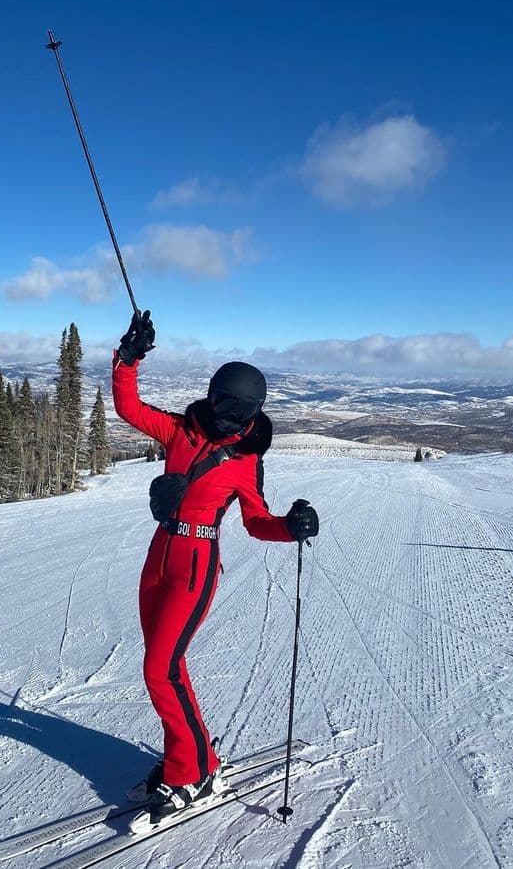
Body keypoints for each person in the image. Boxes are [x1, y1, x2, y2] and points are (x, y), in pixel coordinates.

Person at [112, 309, 319, 829]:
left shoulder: (246, 461)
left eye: (238, 409)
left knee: (159, 670)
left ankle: (196, 771)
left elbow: (255, 521)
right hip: (159, 555)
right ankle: (189, 755)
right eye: (222, 403)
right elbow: (128, 406)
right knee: (168, 666)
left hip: (197, 563)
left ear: (252, 411)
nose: (227, 416)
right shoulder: (182, 430)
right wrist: (128, 358)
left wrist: (290, 527)